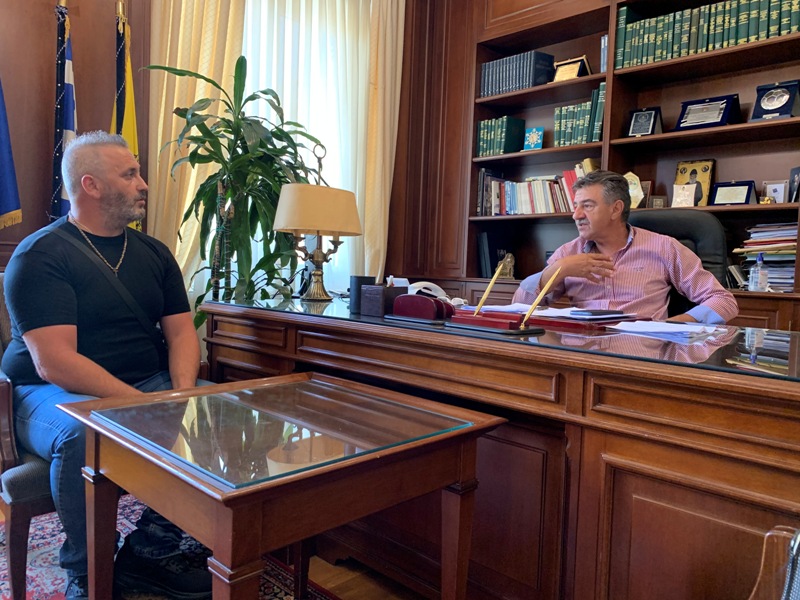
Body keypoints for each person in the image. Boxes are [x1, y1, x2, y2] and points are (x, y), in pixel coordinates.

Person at [1, 131, 212, 599]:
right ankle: (86, 571)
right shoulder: (40, 255)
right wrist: (142, 407)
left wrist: (181, 395)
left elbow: (181, 334)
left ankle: (150, 554)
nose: (144, 184)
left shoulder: (154, 253)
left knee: (214, 412)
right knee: (86, 433)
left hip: (144, 380)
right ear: (91, 185)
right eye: (130, 174)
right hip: (46, 392)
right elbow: (55, 363)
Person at [511, 170, 738, 324]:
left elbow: (723, 301)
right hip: (581, 355)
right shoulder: (568, 254)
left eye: (587, 206)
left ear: (615, 209)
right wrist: (558, 270)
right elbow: (518, 308)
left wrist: (673, 325)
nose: (576, 215)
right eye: (576, 206)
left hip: (640, 357)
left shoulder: (664, 248)